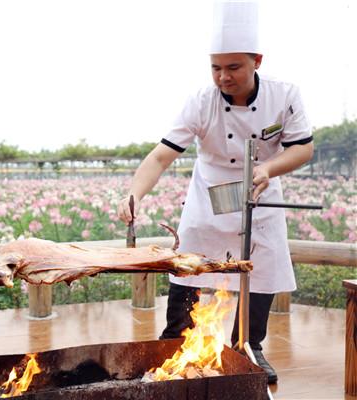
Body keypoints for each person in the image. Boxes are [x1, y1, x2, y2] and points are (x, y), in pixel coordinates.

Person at [117, 1, 314, 385]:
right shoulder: (200, 101)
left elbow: (302, 148)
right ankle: (174, 342)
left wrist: (268, 168)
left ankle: (248, 346)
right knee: (187, 267)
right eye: (215, 67)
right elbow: (160, 156)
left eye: (233, 67)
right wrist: (134, 194)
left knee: (263, 269)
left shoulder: (285, 95)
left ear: (257, 60)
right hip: (208, 195)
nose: (223, 77)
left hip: (259, 191)